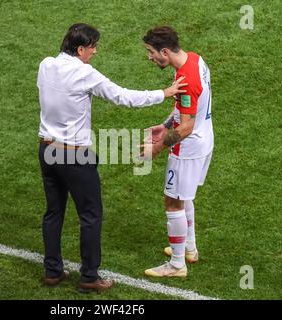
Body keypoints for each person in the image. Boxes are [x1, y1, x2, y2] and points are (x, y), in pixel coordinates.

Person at [37, 23, 187, 292]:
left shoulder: (46, 65)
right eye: (92, 46)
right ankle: (89, 277)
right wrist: (163, 94)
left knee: (53, 212)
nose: (95, 51)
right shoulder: (84, 74)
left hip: (46, 151)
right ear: (80, 48)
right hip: (74, 155)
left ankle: (52, 271)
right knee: (91, 215)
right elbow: (123, 97)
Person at [140, 26, 214, 277]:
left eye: (151, 53)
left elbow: (186, 126)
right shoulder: (194, 60)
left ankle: (177, 265)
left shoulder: (188, 78)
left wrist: (158, 147)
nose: (149, 58)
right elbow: (185, 110)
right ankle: (189, 249)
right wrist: (164, 125)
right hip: (205, 139)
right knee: (185, 196)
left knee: (173, 201)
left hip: (188, 147)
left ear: (164, 51)